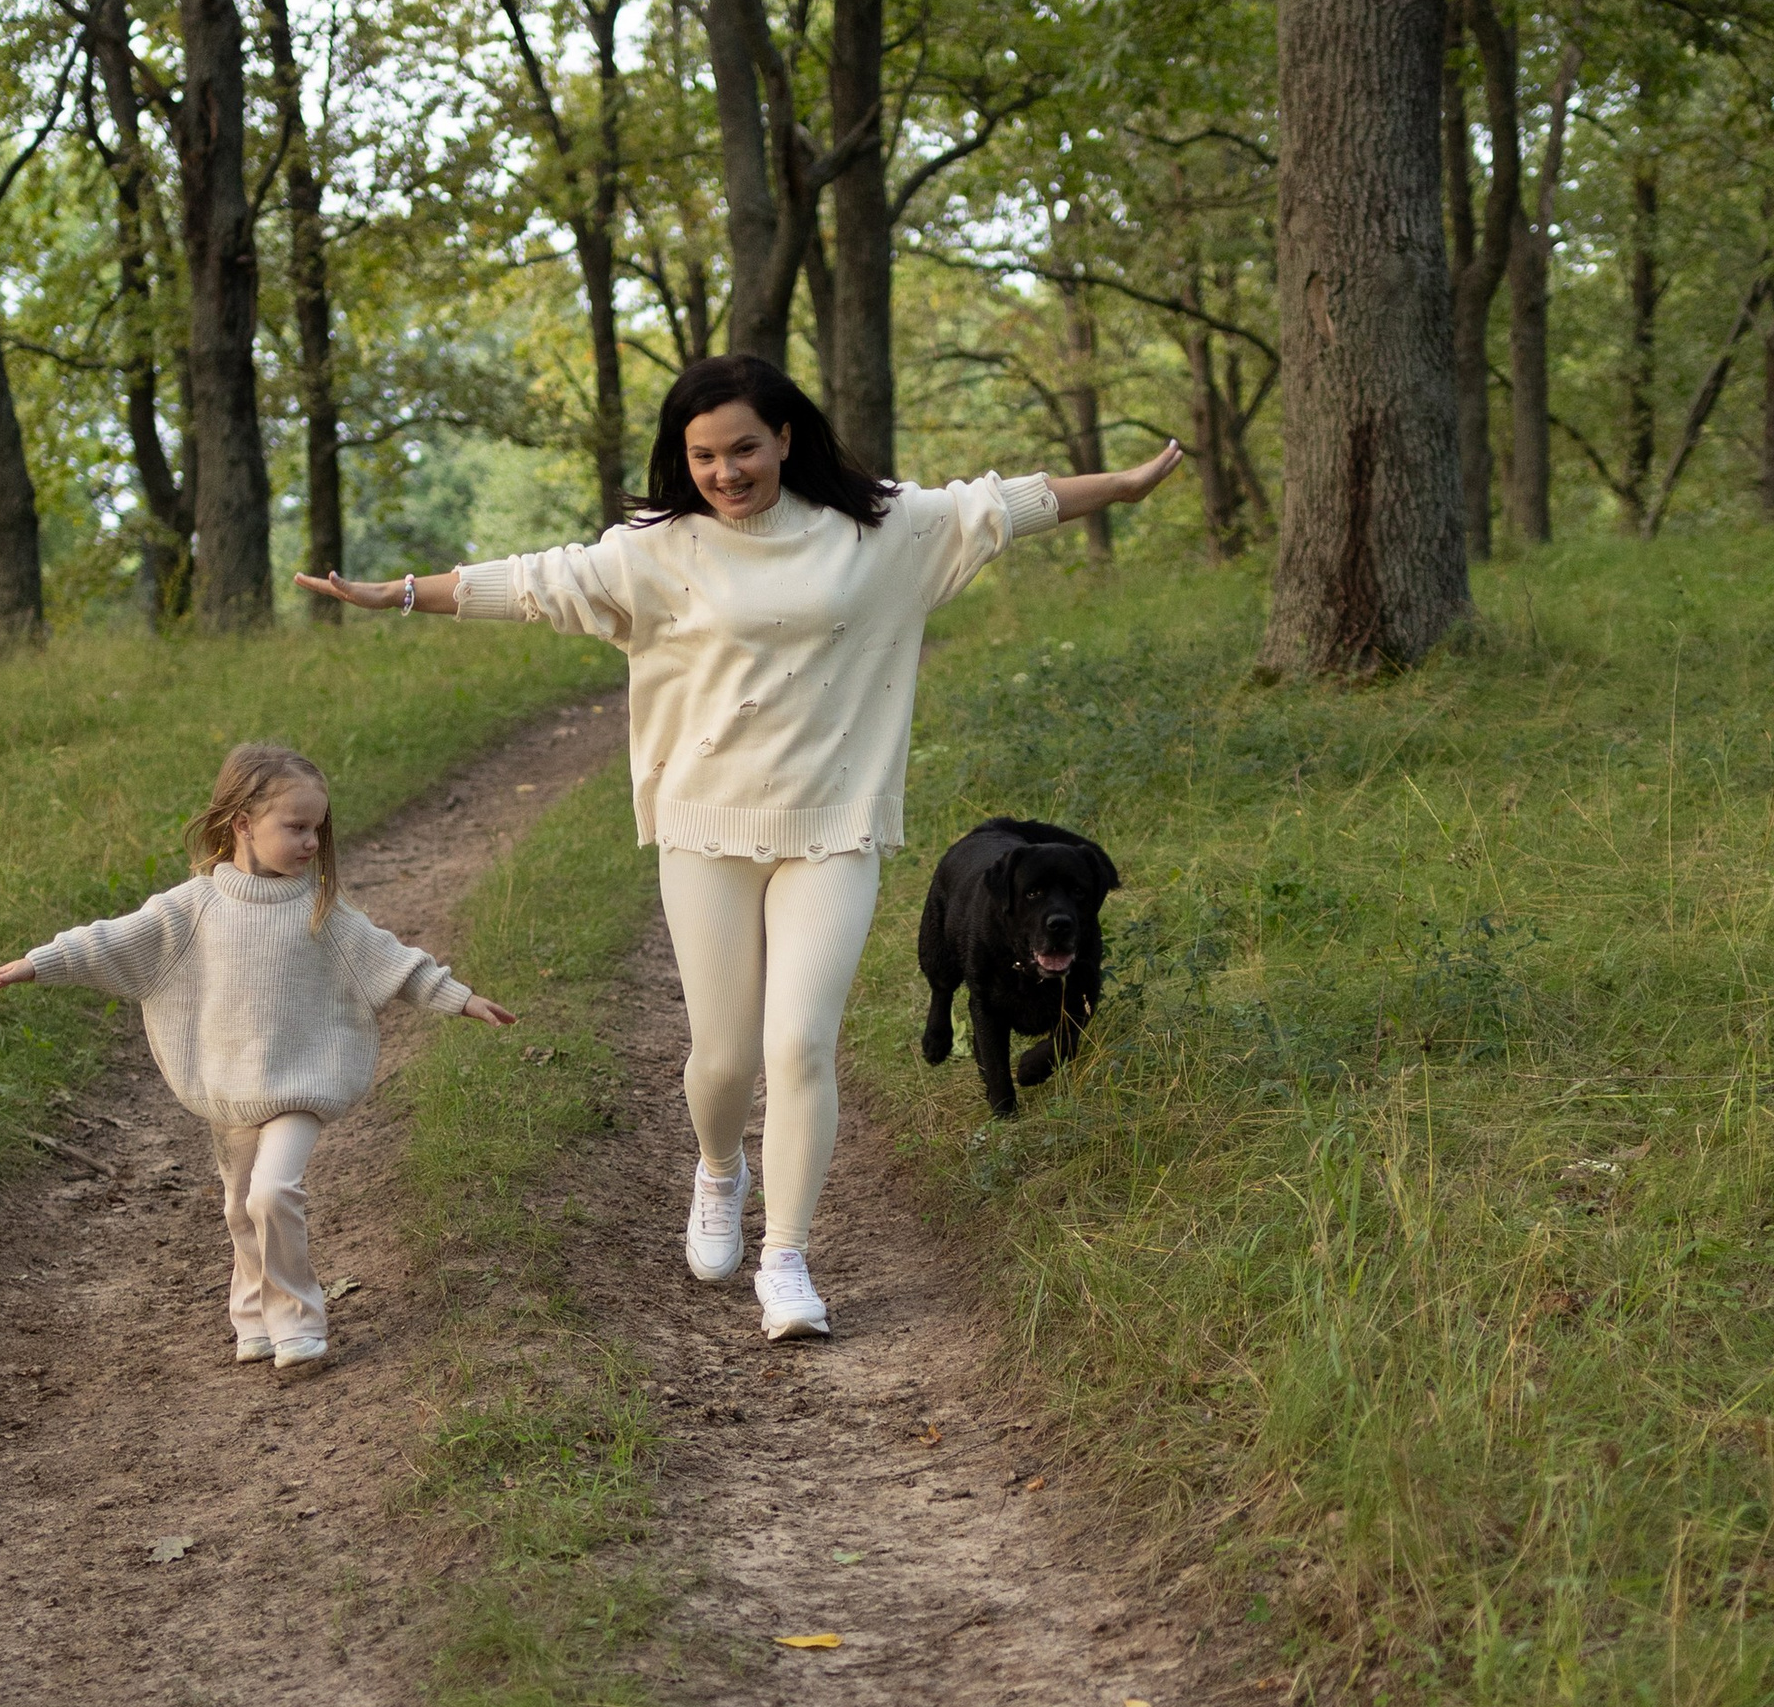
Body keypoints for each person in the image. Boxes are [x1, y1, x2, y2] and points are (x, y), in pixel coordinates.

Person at [298, 358, 1179, 1342]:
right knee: (721, 1057)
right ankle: (720, 1166)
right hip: (706, 828)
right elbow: (537, 581)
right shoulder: (657, 551)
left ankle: (787, 1257)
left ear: (786, 438)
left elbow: (1002, 506)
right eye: (704, 454)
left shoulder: (878, 529)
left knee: (797, 1044)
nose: (726, 471)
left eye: (744, 448)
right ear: (683, 457)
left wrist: (1127, 485)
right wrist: (400, 593)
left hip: (832, 830)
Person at [0, 740, 515, 1380]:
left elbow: (392, 961)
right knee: (239, 1207)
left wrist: (461, 999)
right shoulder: (193, 906)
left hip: (301, 1084)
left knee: (273, 1190)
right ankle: (253, 1316)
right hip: (230, 1088)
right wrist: (39, 964)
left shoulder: (322, 910)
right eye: (295, 827)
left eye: (318, 828)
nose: (312, 842)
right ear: (241, 825)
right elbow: (112, 940)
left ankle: (300, 1324)